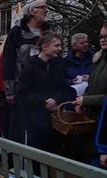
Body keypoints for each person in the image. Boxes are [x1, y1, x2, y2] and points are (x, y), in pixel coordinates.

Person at [16, 31, 76, 152]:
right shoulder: (30, 67)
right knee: (37, 158)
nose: (60, 49)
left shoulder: (58, 65)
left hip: (56, 122)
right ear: (44, 46)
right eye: (56, 45)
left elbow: (67, 90)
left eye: (60, 46)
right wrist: (44, 101)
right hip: (35, 122)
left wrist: (56, 99)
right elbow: (22, 93)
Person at [3, 0, 50, 143]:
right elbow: (8, 61)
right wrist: (9, 91)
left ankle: (38, 163)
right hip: (21, 88)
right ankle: (15, 163)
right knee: (18, 129)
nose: (47, 10)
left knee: (39, 130)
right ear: (32, 11)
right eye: (43, 7)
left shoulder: (48, 33)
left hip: (43, 89)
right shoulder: (17, 33)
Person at [73, 22, 107, 165]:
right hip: (94, 124)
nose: (103, 39)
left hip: (104, 130)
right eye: (101, 36)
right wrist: (82, 100)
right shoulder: (99, 60)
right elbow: (92, 85)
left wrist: (87, 101)